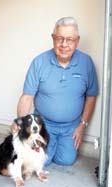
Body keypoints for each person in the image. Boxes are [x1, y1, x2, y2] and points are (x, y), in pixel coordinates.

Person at [16, 16, 99, 166]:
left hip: (71, 126)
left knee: (65, 160)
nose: (64, 44)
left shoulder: (86, 62)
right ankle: (49, 146)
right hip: (43, 124)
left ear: (77, 41)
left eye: (70, 39)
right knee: (42, 162)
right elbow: (27, 96)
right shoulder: (39, 62)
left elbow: (91, 97)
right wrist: (21, 125)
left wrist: (82, 125)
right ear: (53, 38)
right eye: (59, 38)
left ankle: (54, 147)